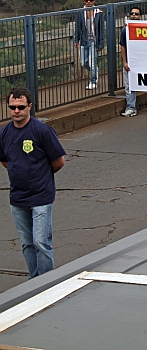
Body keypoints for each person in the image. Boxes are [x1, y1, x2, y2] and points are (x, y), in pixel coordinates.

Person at [0, 87, 66, 278]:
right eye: (12, 107)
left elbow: (58, 161)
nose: (16, 111)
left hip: (41, 196)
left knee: (40, 242)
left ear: (29, 106)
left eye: (20, 107)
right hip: (18, 197)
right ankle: (34, 279)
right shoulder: (4, 133)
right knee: (27, 243)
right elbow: (5, 160)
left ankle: (46, 282)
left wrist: (40, 175)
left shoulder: (42, 131)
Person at [120, 6, 147, 116]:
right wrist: (125, 62)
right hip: (131, 63)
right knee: (129, 86)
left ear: (140, 16)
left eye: (136, 14)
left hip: (145, 62)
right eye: (132, 14)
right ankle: (131, 108)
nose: (134, 15)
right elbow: (123, 46)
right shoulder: (125, 31)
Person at [73, 0, 105, 90]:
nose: (88, 2)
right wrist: (76, 40)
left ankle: (93, 81)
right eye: (87, 0)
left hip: (94, 41)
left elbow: (101, 30)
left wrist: (100, 44)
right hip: (84, 40)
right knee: (83, 62)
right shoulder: (81, 12)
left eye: (90, 0)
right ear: (84, 1)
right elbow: (78, 27)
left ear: (94, 1)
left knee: (92, 62)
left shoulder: (99, 13)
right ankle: (94, 71)